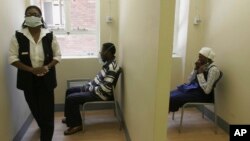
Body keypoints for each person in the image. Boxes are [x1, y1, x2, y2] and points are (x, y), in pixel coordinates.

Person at [8, 5, 61, 141]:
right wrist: (32, 69)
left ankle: (46, 135)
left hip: (46, 78)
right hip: (27, 80)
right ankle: (43, 125)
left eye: (35, 14)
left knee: (47, 112)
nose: (32, 16)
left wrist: (46, 67)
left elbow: (58, 56)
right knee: (35, 109)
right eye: (29, 14)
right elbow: (12, 58)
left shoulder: (49, 35)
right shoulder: (18, 36)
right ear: (25, 18)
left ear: (41, 17)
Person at [62, 42, 120, 135]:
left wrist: (89, 89)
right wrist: (88, 86)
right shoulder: (107, 65)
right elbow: (97, 81)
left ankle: (76, 125)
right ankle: (70, 118)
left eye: (102, 51)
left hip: (101, 95)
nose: (100, 53)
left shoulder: (112, 68)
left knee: (71, 99)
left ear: (108, 53)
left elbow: (105, 89)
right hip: (95, 90)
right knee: (69, 91)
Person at [169, 47, 221, 112]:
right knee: (169, 94)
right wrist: (195, 69)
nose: (199, 59)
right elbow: (189, 81)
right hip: (193, 90)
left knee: (173, 98)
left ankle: (162, 118)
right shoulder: (201, 67)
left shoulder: (213, 70)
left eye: (201, 57)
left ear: (208, 59)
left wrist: (200, 74)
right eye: (199, 57)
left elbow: (207, 91)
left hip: (203, 95)